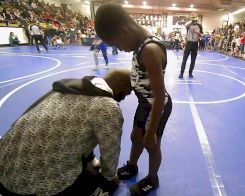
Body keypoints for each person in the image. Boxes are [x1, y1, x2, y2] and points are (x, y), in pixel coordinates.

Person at [0, 68, 132, 195]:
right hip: (31, 186)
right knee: (101, 181)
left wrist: (91, 159)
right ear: (120, 85)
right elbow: (110, 150)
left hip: (5, 168)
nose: (123, 98)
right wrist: (109, 177)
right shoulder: (107, 107)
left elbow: (76, 130)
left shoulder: (71, 87)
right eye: (126, 93)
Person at [94, 4, 173, 196]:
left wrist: (152, 130)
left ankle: (152, 179)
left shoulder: (149, 50)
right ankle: (132, 166)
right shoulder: (139, 45)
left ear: (124, 31)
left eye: (116, 44)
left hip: (157, 106)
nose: (119, 49)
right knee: (135, 137)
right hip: (145, 103)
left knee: (151, 144)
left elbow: (160, 96)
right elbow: (141, 76)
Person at [178, 13, 203, 78]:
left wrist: (199, 33)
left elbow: (202, 35)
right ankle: (181, 73)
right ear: (190, 17)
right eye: (192, 16)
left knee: (193, 60)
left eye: (194, 16)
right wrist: (192, 21)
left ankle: (190, 73)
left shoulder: (199, 25)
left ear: (196, 17)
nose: (193, 17)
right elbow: (185, 26)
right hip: (189, 43)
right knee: (184, 59)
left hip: (195, 44)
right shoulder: (188, 24)